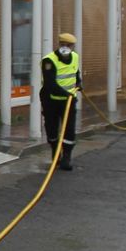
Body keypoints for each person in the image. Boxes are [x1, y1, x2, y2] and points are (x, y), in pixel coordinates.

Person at [40, 32, 82, 171]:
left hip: (68, 102)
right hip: (50, 101)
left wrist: (79, 83)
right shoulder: (49, 60)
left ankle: (67, 157)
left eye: (68, 45)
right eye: (63, 44)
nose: (66, 47)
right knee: (51, 128)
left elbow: (75, 72)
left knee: (69, 128)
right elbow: (50, 84)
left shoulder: (75, 57)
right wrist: (68, 94)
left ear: (72, 46)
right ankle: (55, 152)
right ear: (59, 45)